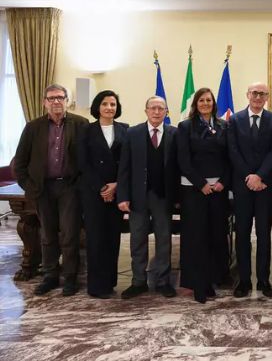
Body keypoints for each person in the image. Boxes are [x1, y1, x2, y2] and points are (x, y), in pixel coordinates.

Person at [14, 84, 89, 296]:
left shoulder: (81, 124)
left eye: (60, 97)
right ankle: (50, 276)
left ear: (67, 101)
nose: (56, 101)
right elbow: (20, 163)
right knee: (47, 235)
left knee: (70, 234)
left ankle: (70, 277)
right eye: (51, 98)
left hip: (70, 188)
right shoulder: (33, 127)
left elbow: (88, 158)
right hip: (43, 188)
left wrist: (80, 186)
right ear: (44, 102)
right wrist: (30, 187)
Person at [117, 96, 179, 299]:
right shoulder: (132, 133)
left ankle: (163, 281)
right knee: (137, 239)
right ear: (146, 111)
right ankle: (138, 281)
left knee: (164, 240)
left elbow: (179, 167)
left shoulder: (174, 134)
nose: (156, 112)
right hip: (137, 197)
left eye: (161, 108)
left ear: (166, 112)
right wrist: (123, 196)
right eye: (153, 108)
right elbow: (124, 168)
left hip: (163, 197)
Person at [176, 88, 231, 303]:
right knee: (196, 237)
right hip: (194, 189)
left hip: (218, 189)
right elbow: (183, 160)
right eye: (201, 100)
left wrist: (223, 181)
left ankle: (212, 280)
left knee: (216, 235)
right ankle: (197, 284)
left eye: (209, 100)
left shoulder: (224, 126)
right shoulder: (185, 127)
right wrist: (201, 184)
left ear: (214, 103)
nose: (205, 103)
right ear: (195, 104)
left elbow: (230, 157)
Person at [228, 82, 272, 299]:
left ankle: (264, 281)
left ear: (267, 97)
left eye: (262, 94)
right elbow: (232, 150)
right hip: (242, 186)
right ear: (247, 94)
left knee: (263, 235)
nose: (258, 97)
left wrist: (259, 176)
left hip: (265, 186)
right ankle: (243, 281)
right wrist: (249, 177)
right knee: (242, 234)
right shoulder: (235, 119)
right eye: (255, 93)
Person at [77, 90, 129, 298]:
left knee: (113, 238)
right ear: (97, 107)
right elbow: (82, 163)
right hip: (93, 192)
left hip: (116, 191)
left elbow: (127, 162)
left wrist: (116, 186)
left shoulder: (125, 129)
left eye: (113, 104)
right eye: (105, 104)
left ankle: (110, 282)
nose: (109, 108)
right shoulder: (86, 130)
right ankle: (96, 286)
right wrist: (101, 187)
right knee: (96, 239)